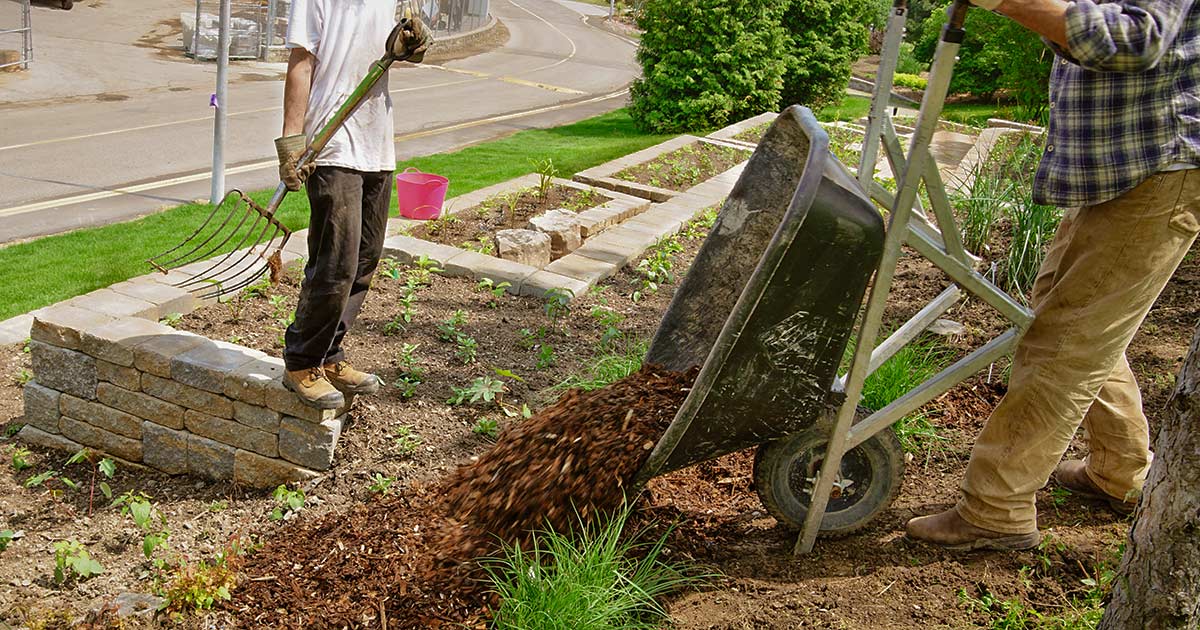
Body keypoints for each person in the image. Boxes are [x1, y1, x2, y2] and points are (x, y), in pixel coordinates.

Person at [907, 0, 1200, 550]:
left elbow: (1135, 39)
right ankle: (1122, 471)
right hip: (1123, 169)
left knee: (1064, 342)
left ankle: (996, 508)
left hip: (1159, 166)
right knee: (1071, 321)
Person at [274, 1, 431, 409]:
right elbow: (301, 61)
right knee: (335, 261)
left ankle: (328, 353)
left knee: (364, 258)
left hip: (376, 140)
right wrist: (292, 140)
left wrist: (413, 43)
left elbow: (406, 50)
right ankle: (302, 361)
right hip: (332, 141)